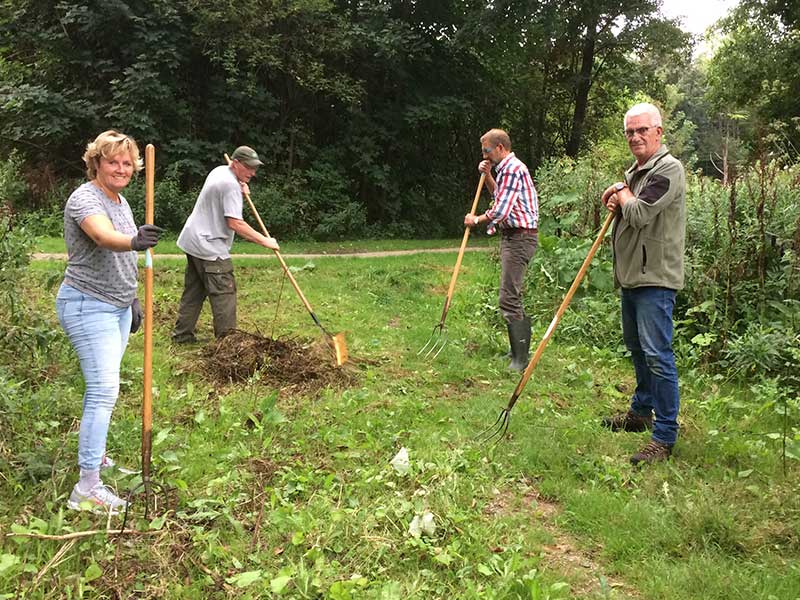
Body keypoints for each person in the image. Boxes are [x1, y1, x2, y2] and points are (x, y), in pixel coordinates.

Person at [56, 130, 163, 513]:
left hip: (117, 307)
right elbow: (103, 238)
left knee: (104, 390)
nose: (121, 169)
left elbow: (123, 259)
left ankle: (96, 457)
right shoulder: (85, 198)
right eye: (112, 161)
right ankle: (86, 488)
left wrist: (131, 295)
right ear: (96, 163)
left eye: (127, 163)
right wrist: (134, 240)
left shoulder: (121, 200)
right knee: (104, 391)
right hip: (87, 305)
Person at [600, 102, 686, 465]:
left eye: (642, 130)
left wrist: (622, 195)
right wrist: (618, 192)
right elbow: (627, 205)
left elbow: (637, 213)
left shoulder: (668, 169)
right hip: (633, 277)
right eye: (630, 132)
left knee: (658, 355)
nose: (635, 137)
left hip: (655, 279)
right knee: (638, 351)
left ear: (658, 132)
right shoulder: (637, 173)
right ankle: (639, 414)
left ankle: (664, 436)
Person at [172, 146, 279, 343]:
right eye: (248, 168)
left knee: (194, 292)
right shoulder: (230, 186)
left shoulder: (220, 171)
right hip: (209, 246)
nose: (253, 173)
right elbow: (235, 223)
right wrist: (265, 240)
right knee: (224, 293)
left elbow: (226, 189)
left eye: (254, 168)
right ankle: (228, 346)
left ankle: (182, 336)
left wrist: (241, 183)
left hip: (193, 240)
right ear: (235, 163)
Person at [464, 129, 539, 371]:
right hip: (514, 237)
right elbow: (500, 195)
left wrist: (475, 220)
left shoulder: (513, 168)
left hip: (520, 238)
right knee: (510, 294)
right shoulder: (505, 169)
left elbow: (500, 210)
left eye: (486, 151)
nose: (484, 156)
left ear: (500, 148)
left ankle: (520, 359)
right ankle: (516, 350)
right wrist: (487, 175)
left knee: (508, 297)